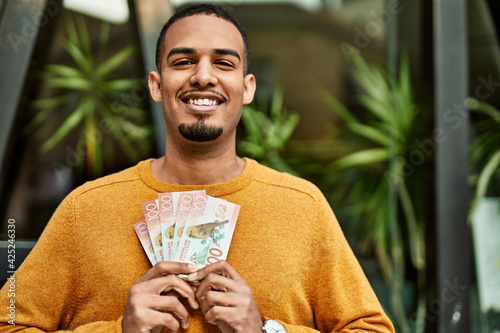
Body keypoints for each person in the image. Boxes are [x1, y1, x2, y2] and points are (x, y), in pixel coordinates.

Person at [0, 4, 395, 333]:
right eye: (184, 61)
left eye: (223, 63)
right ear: (156, 85)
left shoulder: (303, 207)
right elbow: (9, 323)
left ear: (248, 87)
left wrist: (266, 330)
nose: (203, 76)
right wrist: (118, 330)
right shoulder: (84, 209)